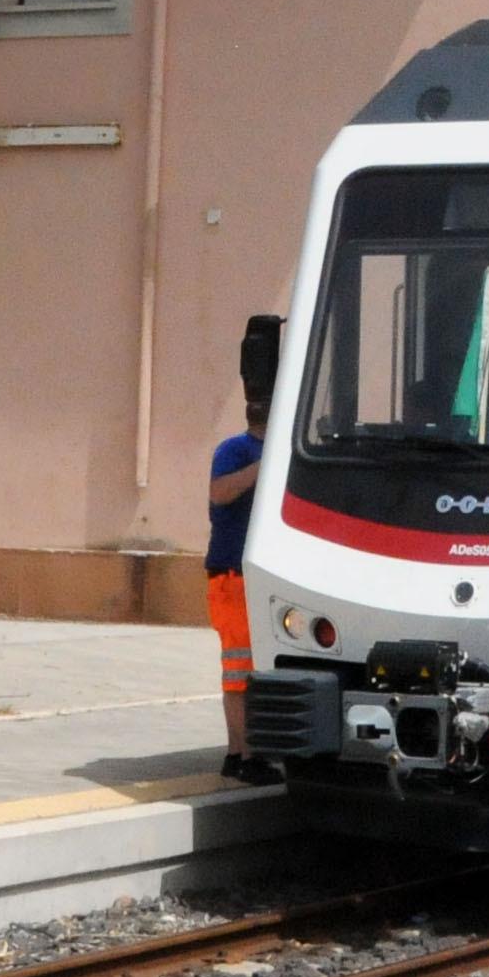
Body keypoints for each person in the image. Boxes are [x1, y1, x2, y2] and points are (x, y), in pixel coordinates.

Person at [211, 315, 281, 780]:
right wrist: (265, 466)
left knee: (245, 673)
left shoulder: (274, 451)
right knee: (241, 673)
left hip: (248, 577)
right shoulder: (234, 450)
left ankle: (242, 753)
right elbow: (220, 493)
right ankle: (245, 756)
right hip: (231, 577)